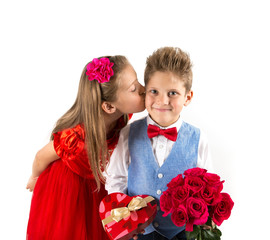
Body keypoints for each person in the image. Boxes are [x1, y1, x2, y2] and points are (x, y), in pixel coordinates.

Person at [26, 56, 145, 240]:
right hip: (68, 191)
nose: (143, 90)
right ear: (109, 106)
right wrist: (35, 178)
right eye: (134, 89)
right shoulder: (77, 137)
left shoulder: (120, 119)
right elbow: (41, 156)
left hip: (97, 186)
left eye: (138, 82)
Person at [105, 47, 212, 240]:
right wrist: (126, 221)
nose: (162, 101)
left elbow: (206, 189)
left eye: (173, 93)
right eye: (154, 91)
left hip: (181, 233)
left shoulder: (198, 138)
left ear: (187, 97)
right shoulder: (128, 133)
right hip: (140, 232)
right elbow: (116, 179)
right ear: (145, 91)